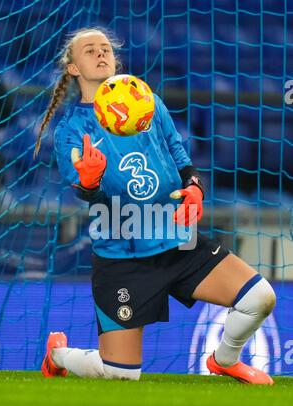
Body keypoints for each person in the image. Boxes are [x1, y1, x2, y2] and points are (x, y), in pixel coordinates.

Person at [35, 27, 276, 384]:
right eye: (89, 51)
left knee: (260, 297)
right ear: (73, 69)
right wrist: (89, 180)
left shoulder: (147, 101)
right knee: (121, 374)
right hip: (123, 257)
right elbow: (84, 193)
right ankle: (58, 354)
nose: (101, 54)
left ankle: (224, 360)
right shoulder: (71, 128)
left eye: (105, 48)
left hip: (178, 241)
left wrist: (194, 188)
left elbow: (181, 158)